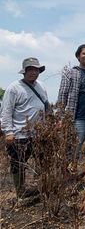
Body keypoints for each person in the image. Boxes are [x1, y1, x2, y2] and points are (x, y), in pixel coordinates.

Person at [0, 57, 48, 202]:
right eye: (31, 69)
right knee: (18, 164)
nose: (34, 72)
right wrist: (8, 132)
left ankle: (43, 187)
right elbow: (6, 112)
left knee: (43, 162)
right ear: (24, 71)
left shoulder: (41, 85)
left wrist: (51, 123)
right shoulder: (14, 88)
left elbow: (46, 105)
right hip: (19, 134)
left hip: (39, 134)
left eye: (36, 69)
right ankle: (21, 192)